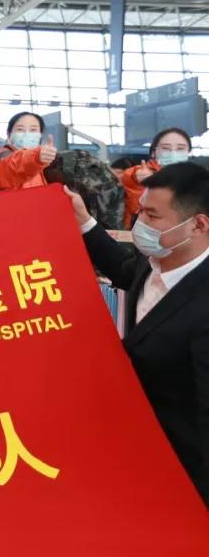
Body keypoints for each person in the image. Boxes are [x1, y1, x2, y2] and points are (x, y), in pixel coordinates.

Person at [66, 162, 209, 505]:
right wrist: (84, 221)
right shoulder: (156, 260)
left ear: (198, 224)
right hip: (136, 452)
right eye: (141, 210)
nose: (139, 223)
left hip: (186, 470)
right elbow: (124, 270)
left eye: (152, 216)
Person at [120, 128, 193, 228]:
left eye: (180, 149)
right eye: (166, 148)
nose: (173, 153)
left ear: (188, 152)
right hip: (144, 231)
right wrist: (137, 178)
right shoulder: (144, 172)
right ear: (154, 152)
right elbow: (128, 180)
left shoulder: (196, 179)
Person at [0, 111, 58, 191]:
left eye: (33, 130)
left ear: (41, 134)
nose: (27, 133)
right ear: (9, 134)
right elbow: (14, 166)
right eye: (20, 129)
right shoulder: (3, 156)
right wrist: (36, 157)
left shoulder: (42, 161)